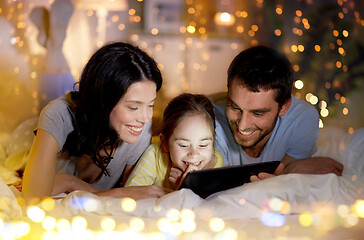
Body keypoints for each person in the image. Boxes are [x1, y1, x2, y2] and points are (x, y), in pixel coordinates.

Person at [22, 42, 167, 203]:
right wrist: (114, 194)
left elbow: (132, 194)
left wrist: (69, 183)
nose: (145, 118)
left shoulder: (139, 128)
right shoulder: (59, 115)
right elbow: (32, 198)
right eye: (133, 107)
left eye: (151, 105)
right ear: (103, 101)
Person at [213, 45, 343, 180]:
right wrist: (292, 170)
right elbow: (226, 186)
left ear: (284, 107)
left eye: (258, 113)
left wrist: (290, 170)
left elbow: (278, 176)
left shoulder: (303, 119)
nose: (242, 126)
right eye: (234, 107)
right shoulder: (208, 121)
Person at [125, 93, 224, 190]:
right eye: (184, 145)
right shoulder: (154, 155)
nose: (194, 154)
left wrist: (186, 187)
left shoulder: (215, 162)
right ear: (165, 143)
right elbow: (130, 196)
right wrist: (178, 191)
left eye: (203, 145)